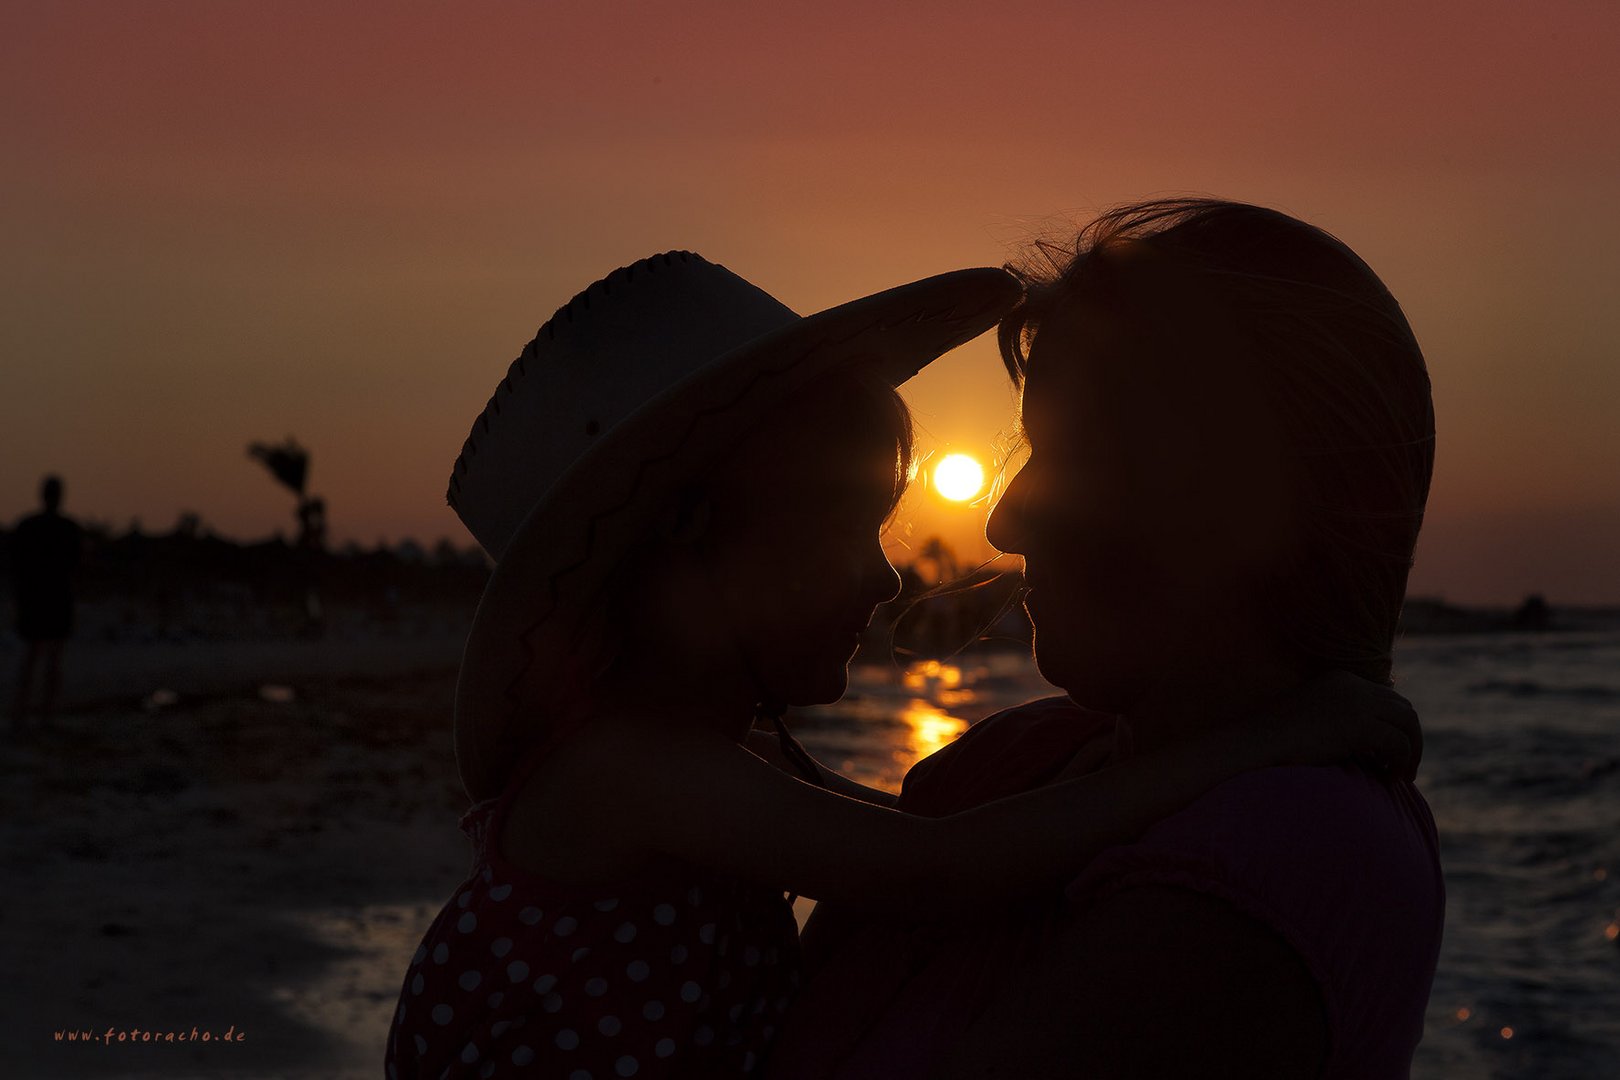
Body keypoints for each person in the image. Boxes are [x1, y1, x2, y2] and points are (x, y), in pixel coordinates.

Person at [383, 251, 1418, 1080]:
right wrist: (1270, 740)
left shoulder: (724, 765)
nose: (889, 579)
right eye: (846, 527)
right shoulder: (640, 774)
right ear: (696, 534)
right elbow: (941, 869)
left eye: (1062, 454)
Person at [765, 198, 1445, 1080]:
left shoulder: (1286, 856)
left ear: (1239, 501)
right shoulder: (1012, 764)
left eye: (1071, 457)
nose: (1005, 522)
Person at [10, 474, 84, 736]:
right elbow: (77, 565)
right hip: (53, 598)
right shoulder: (67, 528)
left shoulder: (28, 526)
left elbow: (15, 564)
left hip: (36, 598)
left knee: (35, 658)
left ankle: (25, 714)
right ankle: (42, 715)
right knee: (50, 659)